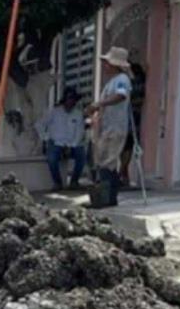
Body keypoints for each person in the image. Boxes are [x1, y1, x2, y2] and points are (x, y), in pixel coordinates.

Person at [86, 46, 133, 207]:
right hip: (107, 128)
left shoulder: (121, 79)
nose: (105, 66)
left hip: (115, 128)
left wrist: (99, 104)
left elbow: (121, 95)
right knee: (103, 163)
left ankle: (108, 199)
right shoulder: (111, 82)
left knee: (108, 163)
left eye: (107, 63)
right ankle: (106, 197)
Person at [36, 87, 86, 190]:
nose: (71, 101)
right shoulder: (53, 112)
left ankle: (74, 181)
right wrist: (46, 137)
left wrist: (71, 146)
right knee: (52, 158)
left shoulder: (78, 114)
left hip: (72, 144)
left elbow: (80, 132)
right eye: (69, 99)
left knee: (82, 156)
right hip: (56, 143)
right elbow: (39, 124)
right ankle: (57, 183)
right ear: (65, 100)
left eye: (73, 99)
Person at [119, 63, 146, 188]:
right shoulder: (126, 82)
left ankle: (123, 172)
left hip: (132, 117)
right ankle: (123, 173)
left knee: (128, 146)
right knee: (125, 147)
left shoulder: (136, 83)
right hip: (127, 117)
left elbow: (137, 99)